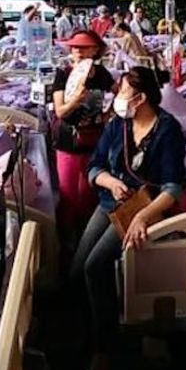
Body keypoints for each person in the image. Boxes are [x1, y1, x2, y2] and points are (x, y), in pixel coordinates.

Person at [73, 67, 186, 370]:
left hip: (145, 207)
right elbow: (94, 166)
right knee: (76, 269)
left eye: (122, 92)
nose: (117, 98)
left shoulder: (167, 130)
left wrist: (143, 216)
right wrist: (110, 182)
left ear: (140, 97)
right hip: (112, 202)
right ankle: (92, 328)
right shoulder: (117, 125)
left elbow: (173, 188)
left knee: (95, 267)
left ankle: (105, 349)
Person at [52, 31, 116, 231]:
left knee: (91, 193)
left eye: (83, 47)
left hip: (95, 140)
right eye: (74, 47)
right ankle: (66, 241)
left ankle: (86, 235)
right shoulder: (64, 73)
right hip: (68, 141)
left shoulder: (102, 74)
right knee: (68, 194)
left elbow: (120, 93)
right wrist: (75, 100)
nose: (77, 51)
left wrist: (109, 113)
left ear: (95, 50)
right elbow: (60, 111)